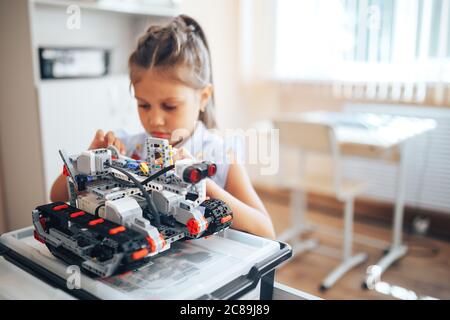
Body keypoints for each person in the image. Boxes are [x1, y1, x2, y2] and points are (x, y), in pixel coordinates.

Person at [50, 15, 275, 239]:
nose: (155, 119)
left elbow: (267, 232)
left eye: (170, 106)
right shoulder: (125, 149)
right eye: (144, 104)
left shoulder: (220, 156)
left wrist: (205, 185)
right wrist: (87, 161)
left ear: (203, 97)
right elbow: (57, 196)